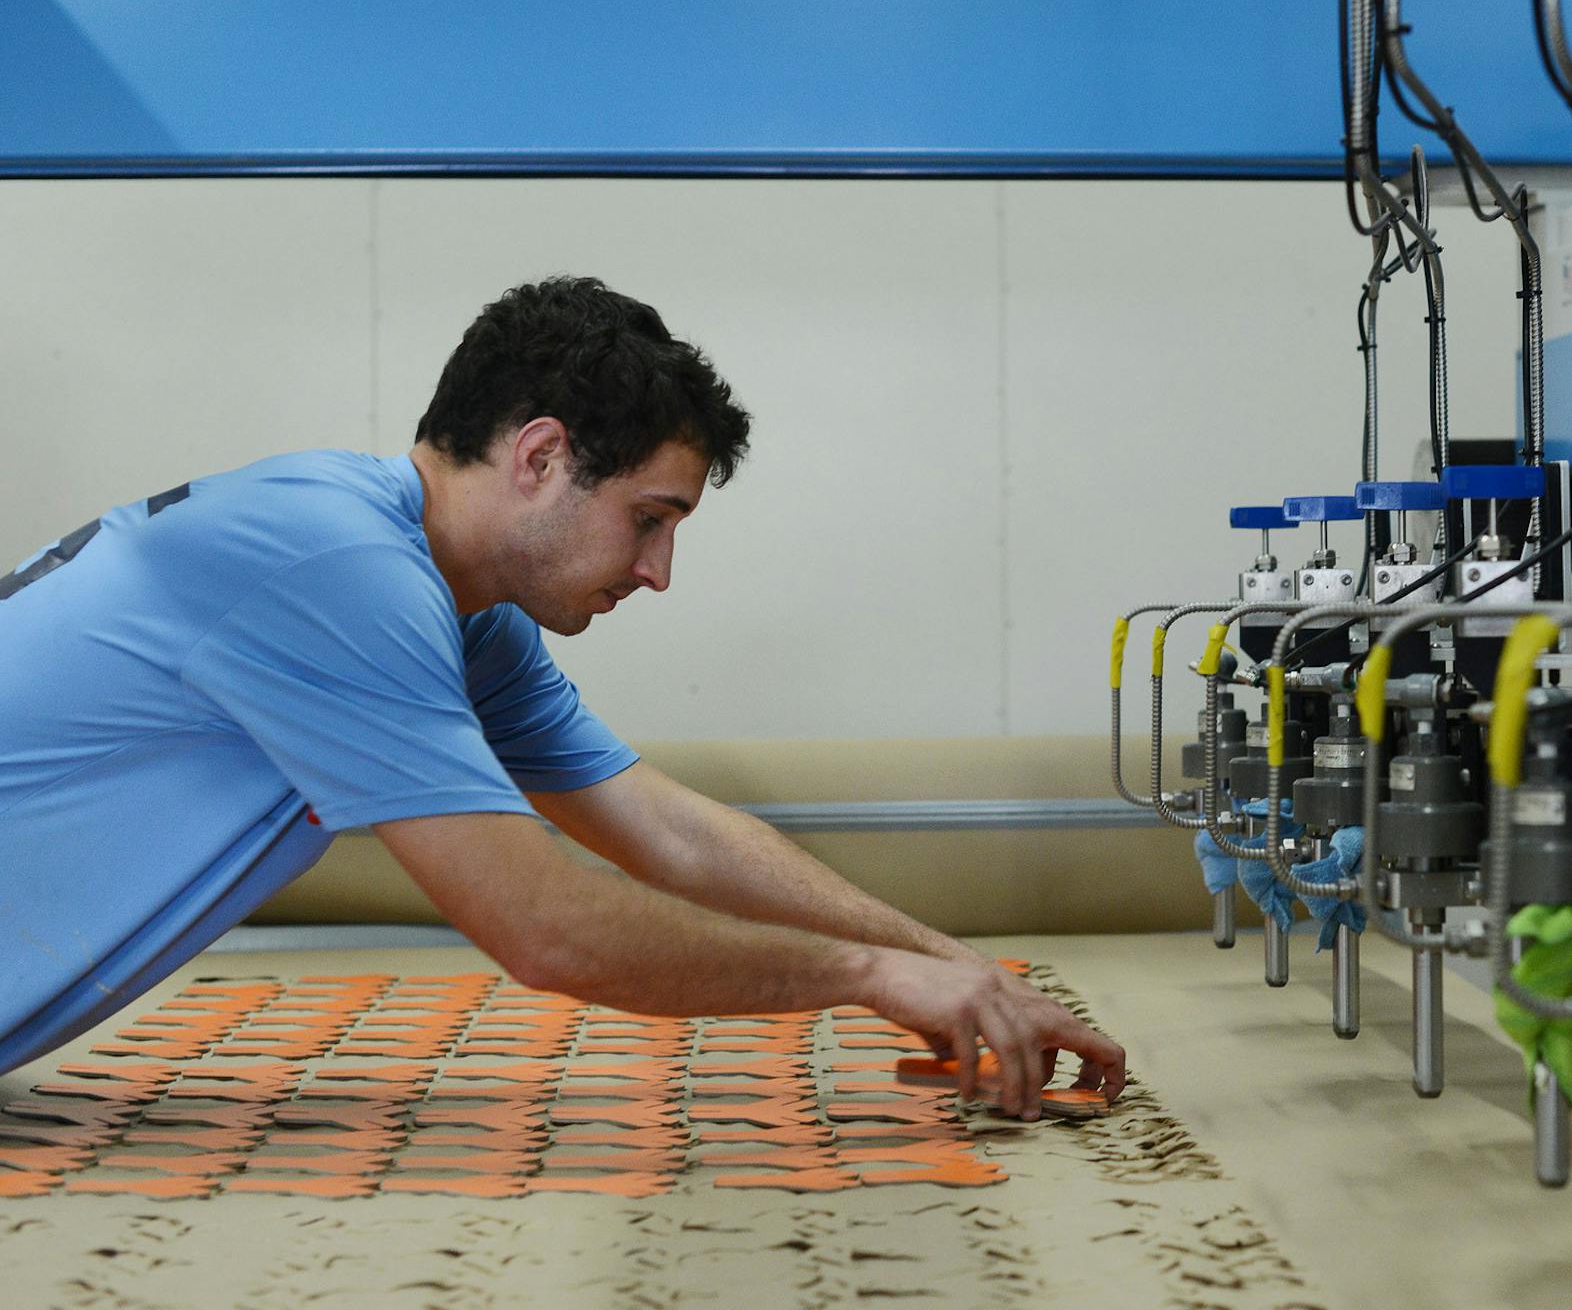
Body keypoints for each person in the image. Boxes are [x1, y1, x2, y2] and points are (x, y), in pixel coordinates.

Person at [0, 275, 1123, 1116]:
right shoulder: (338, 568)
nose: (656, 572)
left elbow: (663, 829)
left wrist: (960, 970)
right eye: (649, 518)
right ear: (539, 456)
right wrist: (873, 976)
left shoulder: (456, 605)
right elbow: (547, 926)